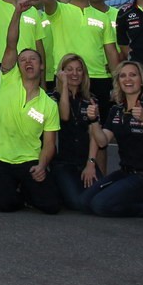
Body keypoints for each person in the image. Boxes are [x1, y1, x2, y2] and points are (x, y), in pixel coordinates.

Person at [0, 0, 60, 214]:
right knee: (6, 205)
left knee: (51, 206)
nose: (28, 62)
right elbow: (11, 43)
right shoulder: (8, 79)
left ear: (41, 65)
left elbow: (49, 144)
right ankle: (5, 187)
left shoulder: (48, 104)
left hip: (29, 160)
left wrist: (42, 166)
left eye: (33, 59)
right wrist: (17, 12)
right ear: (17, 65)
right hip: (1, 158)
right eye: (23, 59)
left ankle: (26, 188)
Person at [83, 59, 143, 218]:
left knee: (100, 205)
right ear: (118, 81)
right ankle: (141, 199)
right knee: (84, 202)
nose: (128, 80)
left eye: (133, 75)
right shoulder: (116, 110)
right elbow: (103, 141)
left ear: (142, 79)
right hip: (126, 172)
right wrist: (94, 120)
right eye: (123, 76)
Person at [45, 0, 120, 114]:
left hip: (98, 78)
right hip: (66, 79)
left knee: (98, 129)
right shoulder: (59, 11)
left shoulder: (102, 17)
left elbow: (111, 52)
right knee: (69, 131)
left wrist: (116, 83)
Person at [48, 54, 101, 211]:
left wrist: (91, 163)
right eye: (69, 70)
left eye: (79, 70)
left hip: (84, 161)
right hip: (62, 163)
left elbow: (94, 134)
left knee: (101, 194)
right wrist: (64, 87)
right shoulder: (51, 98)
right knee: (78, 203)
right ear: (61, 73)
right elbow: (64, 116)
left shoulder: (91, 99)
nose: (75, 74)